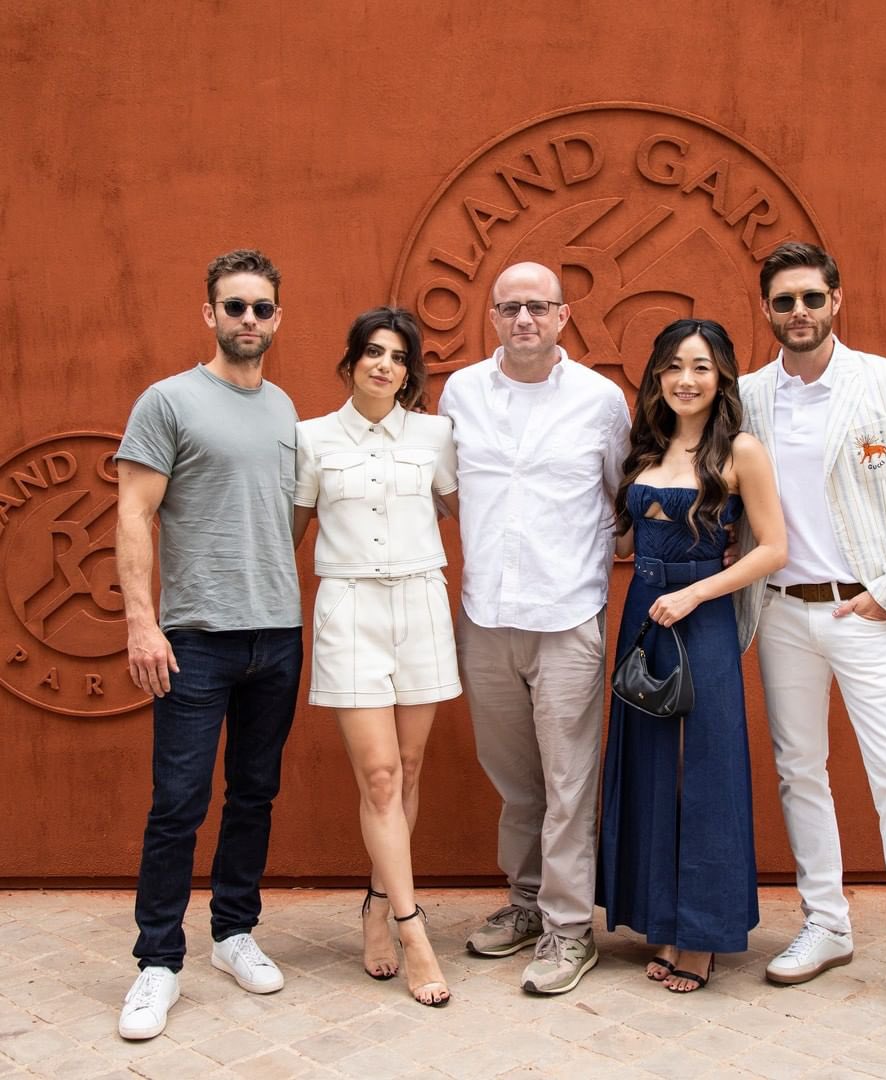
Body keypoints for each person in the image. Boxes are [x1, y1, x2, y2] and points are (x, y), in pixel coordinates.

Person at [734, 241, 886, 1034]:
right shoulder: (748, 394)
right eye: (784, 302)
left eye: (811, 299)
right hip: (782, 611)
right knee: (800, 771)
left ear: (836, 301)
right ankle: (826, 922)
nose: (799, 313)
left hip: (863, 610)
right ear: (767, 311)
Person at [114, 249, 302, 1040]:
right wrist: (139, 620)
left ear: (277, 319)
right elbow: (132, 512)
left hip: (277, 635)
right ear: (210, 314)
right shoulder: (168, 401)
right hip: (194, 636)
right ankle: (158, 960)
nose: (248, 321)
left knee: (255, 793)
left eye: (261, 308)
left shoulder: (289, 408)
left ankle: (232, 932)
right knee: (178, 804)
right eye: (235, 307)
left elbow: (292, 514)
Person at [439, 262, 631, 994]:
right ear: (492, 317)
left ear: (563, 315)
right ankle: (524, 904)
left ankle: (568, 930)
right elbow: (449, 487)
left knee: (569, 782)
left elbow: (622, 497)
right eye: (511, 307)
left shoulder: (599, 400)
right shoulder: (461, 392)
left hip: (567, 618)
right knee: (516, 782)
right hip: (486, 615)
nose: (524, 319)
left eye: (538, 307)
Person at [597, 319, 786, 992]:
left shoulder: (741, 450)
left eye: (701, 367)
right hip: (642, 617)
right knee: (648, 765)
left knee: (704, 767)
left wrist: (698, 592)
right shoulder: (642, 448)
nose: (686, 378)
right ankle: (662, 920)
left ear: (722, 377)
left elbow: (771, 548)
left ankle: (703, 935)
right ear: (655, 376)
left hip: (698, 620)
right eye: (674, 365)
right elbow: (623, 542)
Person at [292, 307, 458, 1007]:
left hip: (421, 601)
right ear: (351, 362)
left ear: (410, 371)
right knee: (382, 776)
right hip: (350, 609)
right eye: (372, 353)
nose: (384, 365)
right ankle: (410, 924)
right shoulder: (310, 439)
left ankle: (373, 900)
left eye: (397, 356)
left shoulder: (435, 434)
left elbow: (456, 506)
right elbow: (288, 532)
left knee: (411, 766)